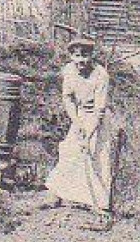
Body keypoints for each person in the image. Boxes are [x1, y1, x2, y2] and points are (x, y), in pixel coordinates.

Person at [44, 36, 117, 229]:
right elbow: (67, 98)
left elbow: (100, 109)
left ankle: (101, 204)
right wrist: (76, 124)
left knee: (95, 155)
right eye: (77, 56)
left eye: (85, 55)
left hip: (97, 118)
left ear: (91, 56)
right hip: (79, 115)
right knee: (69, 150)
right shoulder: (69, 71)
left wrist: (89, 134)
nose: (81, 61)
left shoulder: (101, 75)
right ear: (71, 56)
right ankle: (58, 194)